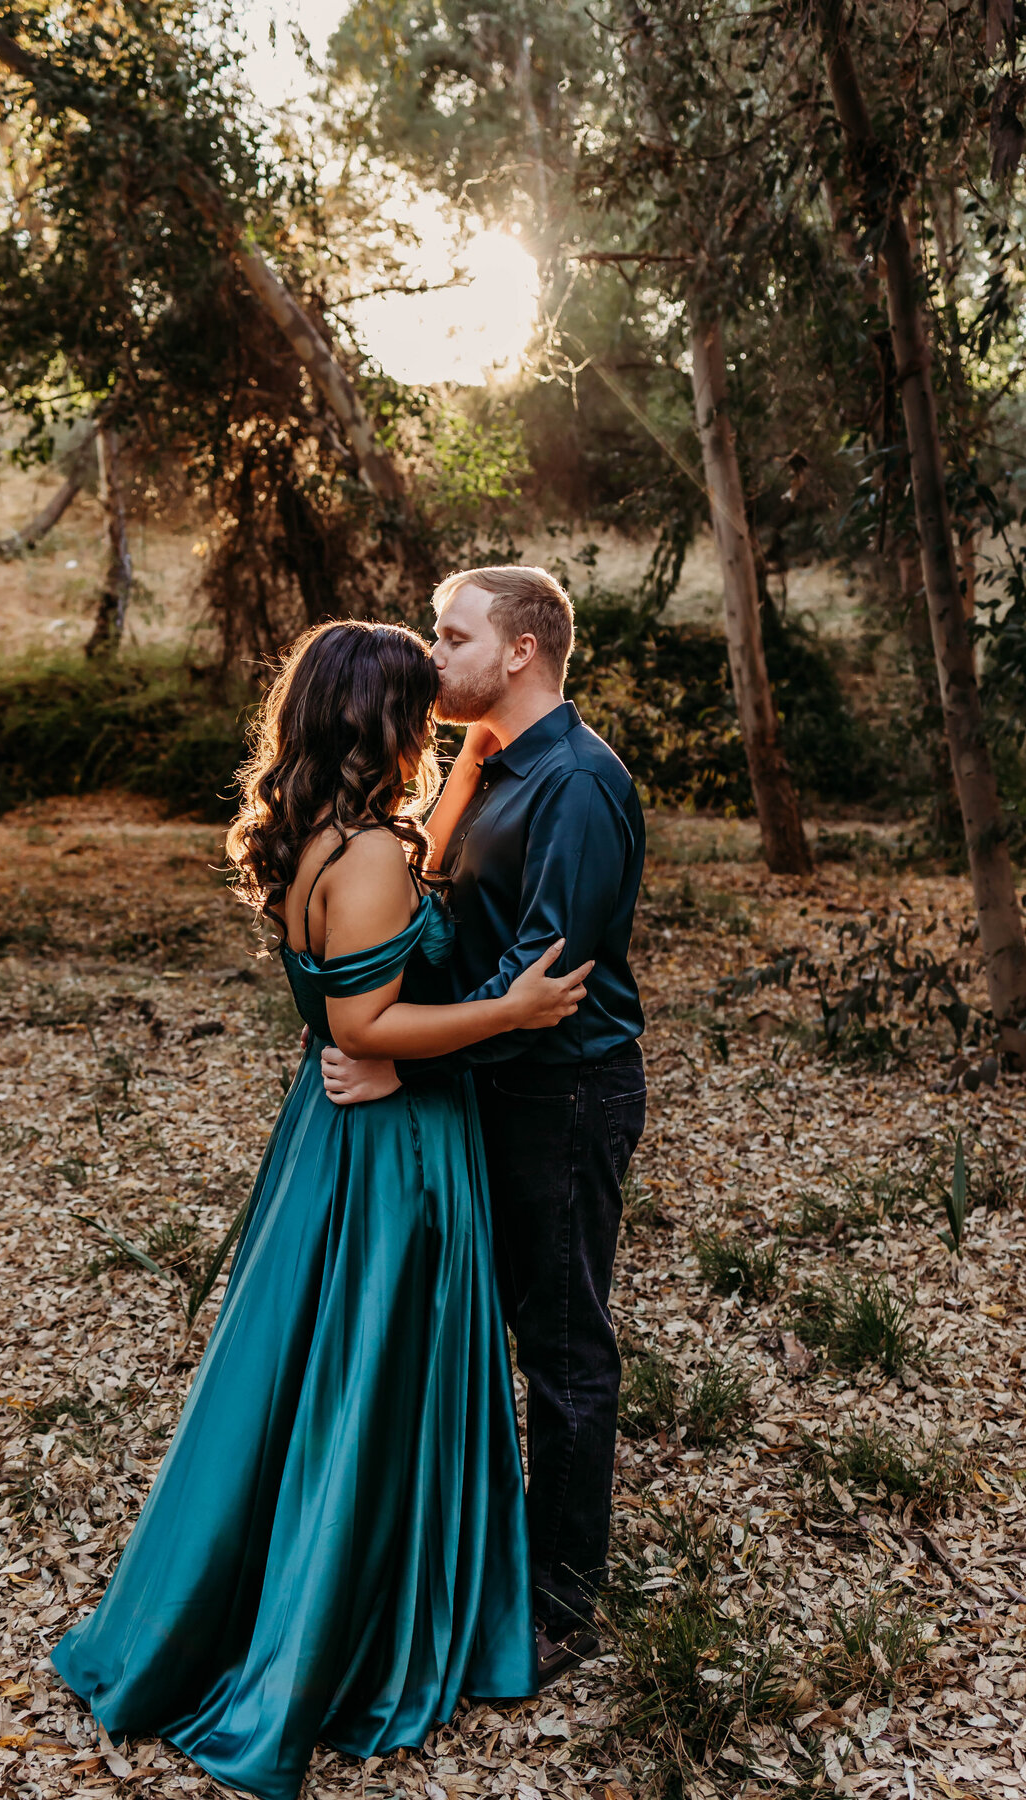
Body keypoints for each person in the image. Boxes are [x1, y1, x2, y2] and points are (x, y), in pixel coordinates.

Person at [50, 619, 594, 1800]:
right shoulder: (373, 863)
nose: (432, 717)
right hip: (390, 1143)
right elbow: (365, 1029)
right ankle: (347, 1628)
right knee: (372, 1376)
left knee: (303, 1371)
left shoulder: (321, 840)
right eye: (418, 703)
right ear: (380, 722)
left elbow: (388, 912)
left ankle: (261, 1589)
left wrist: (465, 774)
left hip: (325, 1138)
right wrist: (510, 1012)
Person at [321, 567, 646, 1685]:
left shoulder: (580, 785)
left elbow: (539, 976)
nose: (433, 653)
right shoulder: (489, 764)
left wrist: (400, 1063)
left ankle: (562, 1605)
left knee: (559, 1343)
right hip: (491, 1086)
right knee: (482, 1328)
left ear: (520, 652)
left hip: (562, 1090)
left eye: (451, 636)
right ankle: (478, 1563)